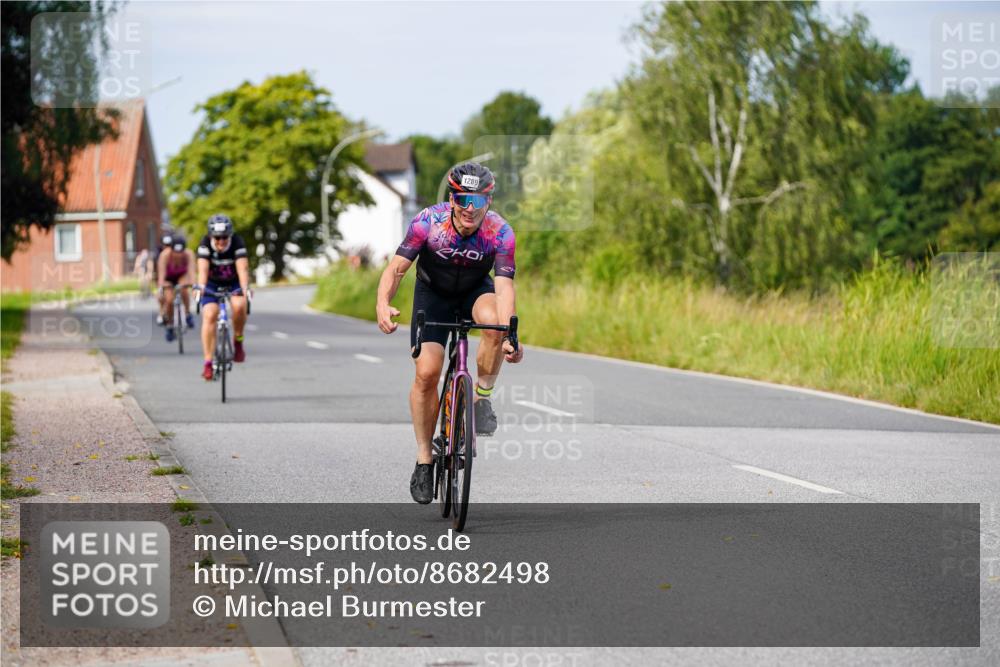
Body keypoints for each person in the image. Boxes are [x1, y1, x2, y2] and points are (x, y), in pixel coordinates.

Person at [376, 163, 525, 504]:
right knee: (427, 372)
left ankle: (482, 399)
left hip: (475, 291)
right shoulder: (428, 222)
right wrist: (383, 303)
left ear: (488, 200)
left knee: (494, 324)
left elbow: (504, 289)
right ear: (452, 197)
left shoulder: (501, 232)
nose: (470, 207)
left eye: (478, 199)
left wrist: (510, 335)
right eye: (462, 198)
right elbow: (397, 269)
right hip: (433, 295)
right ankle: (424, 459)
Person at [192, 214, 251, 380]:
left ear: (230, 235)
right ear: (211, 236)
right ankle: (208, 363)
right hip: (211, 284)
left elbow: (242, 269)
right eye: (217, 238)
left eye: (224, 237)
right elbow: (202, 271)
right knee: (210, 314)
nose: (221, 241)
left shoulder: (237, 243)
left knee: (239, 306)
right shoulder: (205, 244)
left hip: (233, 283)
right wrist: (200, 287)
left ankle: (238, 341)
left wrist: (245, 288)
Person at [157, 234, 196, 342]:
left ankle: (188, 314)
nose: (178, 255)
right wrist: (163, 286)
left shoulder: (189, 254)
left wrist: (193, 286)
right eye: (175, 252)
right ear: (171, 249)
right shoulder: (164, 255)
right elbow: (161, 277)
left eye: (181, 252)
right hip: (168, 278)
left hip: (181, 276)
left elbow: (192, 273)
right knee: (169, 300)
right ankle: (170, 325)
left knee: (184, 288)